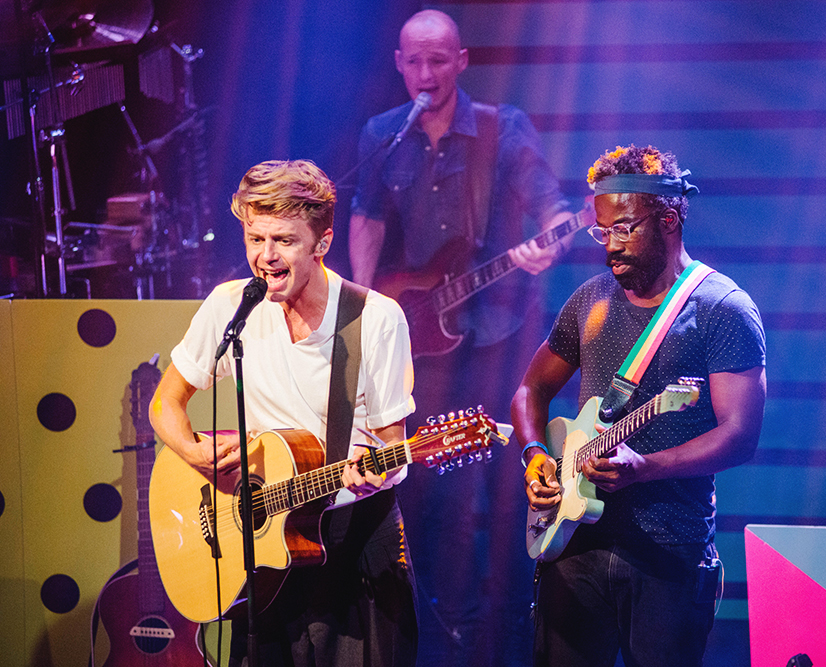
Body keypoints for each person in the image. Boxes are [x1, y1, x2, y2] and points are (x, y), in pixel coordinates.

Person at [348, 10, 574, 663]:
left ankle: (515, 630)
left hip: (502, 334)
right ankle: (452, 631)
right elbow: (366, 216)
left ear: (462, 61)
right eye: (415, 62)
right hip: (424, 341)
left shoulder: (503, 128)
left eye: (439, 60)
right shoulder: (383, 135)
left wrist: (551, 241)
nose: (426, 73)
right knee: (433, 489)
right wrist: (364, 304)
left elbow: (554, 211)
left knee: (507, 488)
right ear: (399, 63)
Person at [149, 159, 419, 667]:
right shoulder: (232, 306)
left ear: (322, 242)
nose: (266, 256)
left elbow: (392, 449)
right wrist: (195, 453)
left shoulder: (375, 319)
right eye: (255, 239)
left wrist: (373, 471)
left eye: (284, 241)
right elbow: (165, 403)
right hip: (264, 557)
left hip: (353, 545)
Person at [512, 145, 767, 667]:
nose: (611, 247)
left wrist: (646, 467)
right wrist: (535, 454)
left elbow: (739, 434)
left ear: (668, 220)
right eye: (602, 232)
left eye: (624, 229)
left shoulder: (723, 308)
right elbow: (529, 390)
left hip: (667, 552)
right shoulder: (589, 299)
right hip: (573, 544)